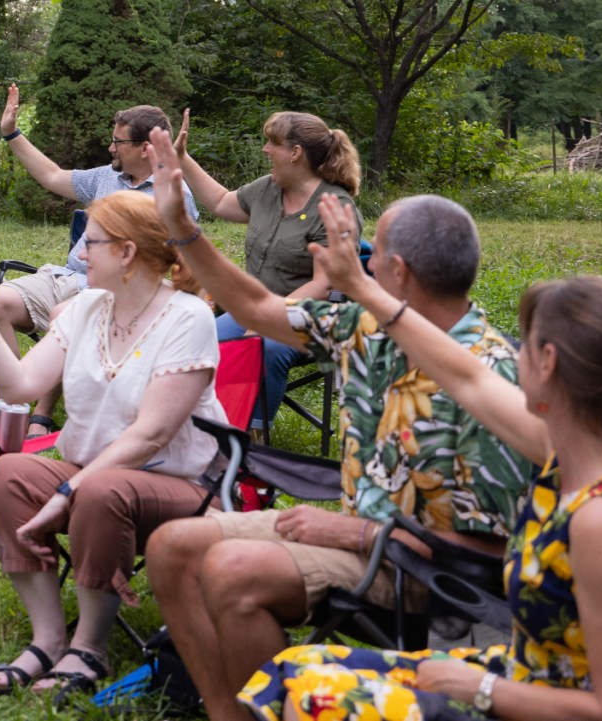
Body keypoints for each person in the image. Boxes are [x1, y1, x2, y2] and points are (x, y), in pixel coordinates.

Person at [143, 129, 533, 721]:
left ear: (397, 271)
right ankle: (228, 712)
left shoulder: (490, 377)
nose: (362, 261)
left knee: (233, 570)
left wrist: (356, 535)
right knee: (172, 545)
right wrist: (184, 231)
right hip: (358, 535)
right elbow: (256, 309)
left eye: (369, 252)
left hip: (422, 567)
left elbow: (498, 547)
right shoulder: (364, 325)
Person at [237, 198, 602, 721]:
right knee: (295, 667)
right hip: (521, 673)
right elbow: (466, 375)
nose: (506, 355)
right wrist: (362, 289)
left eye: (525, 345)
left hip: (529, 700)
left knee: (312, 698)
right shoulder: (588, 449)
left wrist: (477, 687)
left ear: (549, 363)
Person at [0, 192, 226, 699]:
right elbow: (18, 387)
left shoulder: (190, 317)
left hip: (183, 490)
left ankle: (90, 647)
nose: (78, 255)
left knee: (102, 489)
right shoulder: (85, 310)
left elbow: (151, 436)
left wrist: (71, 487)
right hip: (92, 477)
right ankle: (47, 638)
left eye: (90, 243)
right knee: (8, 474)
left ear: (126, 253)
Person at [0, 83, 198, 439]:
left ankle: (42, 414)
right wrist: (11, 134)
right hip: (72, 274)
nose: (111, 147)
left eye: (119, 142)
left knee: (61, 314)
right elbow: (51, 175)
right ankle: (11, 405)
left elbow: (182, 265)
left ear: (145, 148)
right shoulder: (106, 177)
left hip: (119, 290)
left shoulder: (175, 196)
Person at [173, 109, 363, 432]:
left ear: (295, 153)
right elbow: (220, 201)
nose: (265, 149)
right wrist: (182, 158)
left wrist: (269, 318)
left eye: (271, 142)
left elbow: (321, 285)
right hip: (256, 308)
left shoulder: (334, 206)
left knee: (265, 347)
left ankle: (251, 439)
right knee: (203, 339)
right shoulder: (268, 189)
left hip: (313, 317)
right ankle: (200, 425)